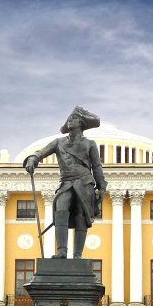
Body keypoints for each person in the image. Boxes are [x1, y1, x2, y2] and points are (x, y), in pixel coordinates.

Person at [23, 106, 107, 259]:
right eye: (69, 119)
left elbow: (96, 166)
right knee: (61, 209)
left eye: (73, 118)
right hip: (66, 182)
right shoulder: (59, 142)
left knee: (81, 215)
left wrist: (101, 187)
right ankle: (62, 251)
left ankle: (77, 255)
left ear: (81, 123)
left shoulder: (89, 144)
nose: (69, 121)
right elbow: (41, 152)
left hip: (84, 182)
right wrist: (32, 158)